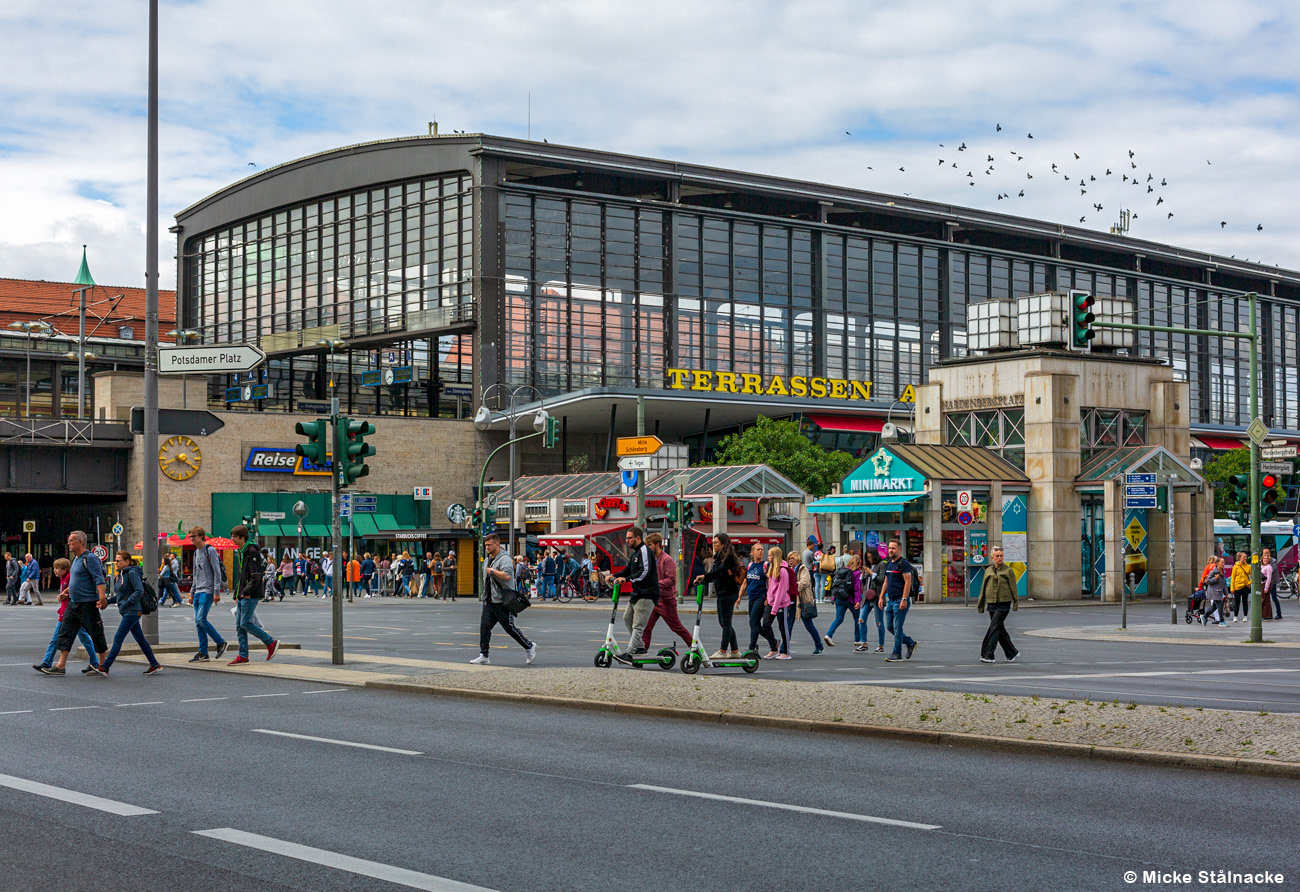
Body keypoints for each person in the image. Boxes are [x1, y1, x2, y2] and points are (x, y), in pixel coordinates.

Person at [37, 532, 109, 676]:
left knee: (96, 634)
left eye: (71, 541)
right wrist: (67, 593)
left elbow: (98, 579)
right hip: (73, 604)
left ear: (80, 542)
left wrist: (102, 599)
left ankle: (102, 665)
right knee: (65, 633)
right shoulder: (76, 559)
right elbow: (77, 581)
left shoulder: (90, 558)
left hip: (87, 604)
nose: (68, 543)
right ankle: (60, 665)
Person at [471, 533, 536, 666]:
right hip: (489, 601)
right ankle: (484, 655)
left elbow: (507, 576)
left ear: (497, 544)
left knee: (509, 628)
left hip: (502, 602)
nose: (487, 547)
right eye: (486, 545)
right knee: (484, 627)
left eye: (489, 545)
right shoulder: (488, 560)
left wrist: (493, 571)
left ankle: (529, 646)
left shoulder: (504, 559)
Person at [98, 551, 163, 676]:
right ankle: (154, 664)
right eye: (116, 560)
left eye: (118, 561)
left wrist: (127, 603)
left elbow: (139, 591)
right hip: (128, 610)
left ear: (127, 561)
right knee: (140, 639)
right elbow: (120, 595)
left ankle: (106, 666)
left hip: (132, 611)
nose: (116, 563)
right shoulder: (121, 574)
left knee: (118, 638)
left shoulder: (132, 573)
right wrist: (106, 602)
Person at [34, 558, 100, 672]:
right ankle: (94, 662)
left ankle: (47, 662)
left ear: (65, 570)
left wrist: (66, 595)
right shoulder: (63, 578)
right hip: (66, 613)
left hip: (71, 614)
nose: (54, 570)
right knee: (83, 638)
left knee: (57, 638)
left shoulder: (69, 578)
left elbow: (75, 592)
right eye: (54, 568)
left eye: (57, 568)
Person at [227, 525, 278, 665]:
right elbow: (242, 576)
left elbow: (256, 576)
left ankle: (270, 642)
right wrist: (237, 595)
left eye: (234, 537)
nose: (232, 539)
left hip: (250, 594)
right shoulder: (242, 551)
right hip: (243, 594)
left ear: (242, 538)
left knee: (245, 623)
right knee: (239, 626)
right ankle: (243, 655)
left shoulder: (252, 552)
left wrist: (246, 592)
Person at [606, 527, 658, 663]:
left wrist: (627, 579)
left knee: (638, 625)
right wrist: (614, 575)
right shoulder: (635, 553)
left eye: (630, 538)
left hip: (647, 594)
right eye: (626, 538)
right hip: (637, 593)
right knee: (627, 617)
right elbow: (628, 569)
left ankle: (629, 653)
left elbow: (644, 571)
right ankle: (640, 647)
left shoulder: (644, 550)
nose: (627, 540)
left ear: (638, 538)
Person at [693, 532, 743, 659]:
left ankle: (723, 650)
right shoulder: (719, 556)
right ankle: (735, 650)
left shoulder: (729, 557)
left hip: (728, 593)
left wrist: (705, 577)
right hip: (722, 592)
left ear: (723, 544)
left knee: (725, 622)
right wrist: (703, 580)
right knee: (724, 623)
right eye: (713, 542)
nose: (713, 545)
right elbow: (715, 574)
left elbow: (720, 573)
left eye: (716, 543)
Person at [641, 532, 693, 650]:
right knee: (646, 627)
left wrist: (655, 584)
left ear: (657, 545)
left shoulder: (667, 559)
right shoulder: (652, 559)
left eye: (649, 545)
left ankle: (695, 648)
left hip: (666, 600)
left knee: (677, 627)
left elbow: (671, 580)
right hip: (655, 600)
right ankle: (642, 652)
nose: (647, 548)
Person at [187, 526, 229, 663]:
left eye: (193, 536)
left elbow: (217, 572)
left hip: (208, 590)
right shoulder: (195, 553)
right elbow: (195, 574)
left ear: (201, 536)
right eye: (190, 536)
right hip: (198, 590)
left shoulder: (209, 550)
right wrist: (192, 593)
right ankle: (203, 653)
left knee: (201, 619)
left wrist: (216, 592)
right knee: (198, 623)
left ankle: (221, 642)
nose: (191, 538)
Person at [976, 545, 1019, 663]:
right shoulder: (988, 570)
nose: (999, 558)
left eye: (1001, 556)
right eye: (997, 556)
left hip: (1003, 603)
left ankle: (988, 654)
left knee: (994, 628)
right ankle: (1011, 653)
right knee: (999, 629)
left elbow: (1013, 588)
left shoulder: (1008, 570)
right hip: (991, 603)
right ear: (992, 557)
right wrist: (980, 604)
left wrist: (1015, 603)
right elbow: (983, 588)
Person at [880, 538, 918, 662]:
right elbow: (886, 581)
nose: (890, 550)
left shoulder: (903, 563)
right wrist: (881, 597)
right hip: (891, 600)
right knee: (890, 627)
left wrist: (904, 599)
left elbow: (908, 582)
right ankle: (910, 642)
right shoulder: (889, 564)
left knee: (897, 628)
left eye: (893, 548)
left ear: (899, 550)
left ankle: (897, 653)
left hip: (900, 600)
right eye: (889, 548)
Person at [743, 543, 779, 657]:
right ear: (752, 552)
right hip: (751, 596)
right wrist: (739, 596)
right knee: (756, 624)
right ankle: (774, 642)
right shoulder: (750, 565)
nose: (760, 551)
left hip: (761, 596)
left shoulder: (765, 565)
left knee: (753, 622)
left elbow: (770, 582)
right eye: (758, 549)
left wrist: (768, 597)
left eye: (762, 550)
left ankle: (752, 648)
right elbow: (746, 581)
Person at [762, 547, 795, 660]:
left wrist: (775, 608)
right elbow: (771, 587)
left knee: (783, 627)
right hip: (772, 602)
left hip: (782, 603)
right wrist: (768, 598)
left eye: (770, 555)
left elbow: (781, 591)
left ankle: (786, 651)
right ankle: (774, 648)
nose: (768, 557)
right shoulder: (771, 568)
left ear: (775, 556)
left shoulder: (783, 570)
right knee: (765, 624)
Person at [789, 550, 824, 653]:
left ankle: (819, 645)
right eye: (789, 559)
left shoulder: (802, 569)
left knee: (809, 625)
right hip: (792, 601)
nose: (790, 561)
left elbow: (804, 582)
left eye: (792, 558)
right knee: (788, 625)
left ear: (797, 559)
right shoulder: (789, 569)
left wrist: (792, 587)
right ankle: (783, 648)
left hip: (803, 601)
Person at [823, 553, 861, 648]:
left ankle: (828, 635)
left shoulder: (842, 571)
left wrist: (833, 597)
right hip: (850, 599)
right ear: (859, 564)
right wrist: (858, 601)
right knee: (857, 619)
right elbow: (857, 588)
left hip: (839, 598)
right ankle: (857, 639)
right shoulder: (856, 573)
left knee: (838, 619)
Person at [856, 550, 886, 653]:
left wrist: (871, 573)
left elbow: (881, 579)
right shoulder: (869, 566)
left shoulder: (881, 564)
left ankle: (880, 645)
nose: (869, 559)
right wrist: (864, 574)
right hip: (867, 597)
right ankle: (863, 643)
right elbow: (864, 583)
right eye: (867, 557)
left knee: (879, 622)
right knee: (861, 619)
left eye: (870, 557)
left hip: (877, 596)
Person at [1201, 556, 1228, 625]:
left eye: (1224, 562)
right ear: (1217, 563)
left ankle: (1204, 616)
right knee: (1220, 606)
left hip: (1219, 591)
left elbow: (1224, 583)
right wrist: (1215, 579)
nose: (1223, 564)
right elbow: (1208, 581)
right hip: (1214, 591)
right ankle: (1222, 621)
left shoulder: (1223, 572)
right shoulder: (1213, 572)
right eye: (1222, 562)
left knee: (1214, 606)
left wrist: (1226, 593)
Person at [1229, 551, 1250, 622]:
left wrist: (1249, 583)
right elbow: (1233, 578)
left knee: (1245, 602)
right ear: (1239, 558)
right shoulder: (1235, 567)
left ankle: (1245, 616)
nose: (1245, 558)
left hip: (1245, 586)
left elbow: (1253, 576)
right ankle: (1235, 616)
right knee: (1236, 602)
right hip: (1237, 586)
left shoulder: (1248, 566)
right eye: (1244, 557)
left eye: (1246, 557)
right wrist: (1232, 588)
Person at [1260, 548, 1278, 620]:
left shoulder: (1271, 564)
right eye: (1264, 554)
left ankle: (1272, 614)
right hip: (1263, 584)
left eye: (1267, 553)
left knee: (1272, 598)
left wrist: (1266, 588)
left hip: (1270, 583)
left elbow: (1269, 576)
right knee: (1266, 600)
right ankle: (1265, 615)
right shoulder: (1262, 565)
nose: (1265, 556)